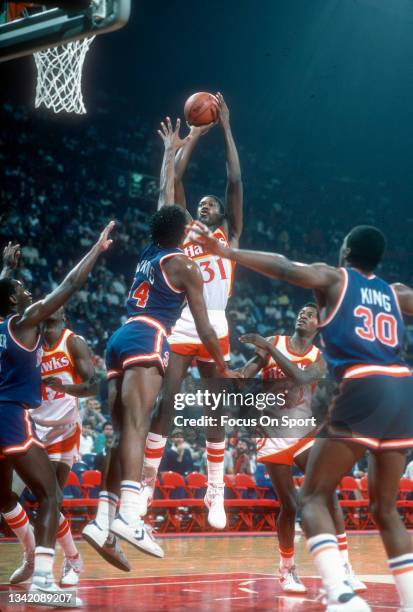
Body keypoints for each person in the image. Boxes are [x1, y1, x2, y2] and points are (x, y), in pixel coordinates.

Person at [191, 221, 413, 611]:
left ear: (345, 251)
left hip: (361, 387)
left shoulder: (335, 279)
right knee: (384, 508)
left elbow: (284, 267)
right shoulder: (395, 294)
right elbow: (244, 375)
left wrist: (226, 253)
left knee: (312, 497)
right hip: (401, 391)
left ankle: (341, 593)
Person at [81, 118, 240, 568]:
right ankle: (131, 513)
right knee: (136, 426)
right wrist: (222, 361)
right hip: (152, 335)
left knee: (121, 432)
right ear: (182, 230)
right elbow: (207, 329)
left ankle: (102, 517)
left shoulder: (153, 247)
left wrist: (171, 153)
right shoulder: (182, 264)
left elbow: (164, 199)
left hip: (119, 337)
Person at [139, 93, 244, 531]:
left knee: (215, 410)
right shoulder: (184, 232)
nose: (203, 205)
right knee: (167, 399)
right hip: (183, 322)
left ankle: (214, 489)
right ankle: (147, 480)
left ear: (221, 213)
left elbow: (234, 182)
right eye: (198, 204)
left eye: (209, 204)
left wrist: (225, 129)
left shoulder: (230, 237)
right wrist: (193, 136)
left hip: (216, 324)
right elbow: (175, 179)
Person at [0, 220, 114, 600]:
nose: (29, 292)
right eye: (22, 290)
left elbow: (92, 383)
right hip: (17, 420)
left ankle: (52, 560)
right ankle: (44, 578)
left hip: (59, 429)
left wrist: (5, 273)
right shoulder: (23, 324)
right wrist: (96, 249)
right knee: (49, 497)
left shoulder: (54, 337)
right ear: (17, 303)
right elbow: (68, 286)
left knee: (5, 498)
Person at [239, 304, 365, 594]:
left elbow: (303, 378)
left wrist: (269, 347)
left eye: (311, 315)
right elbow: (246, 373)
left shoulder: (320, 358)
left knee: (327, 492)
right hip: (271, 434)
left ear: (318, 326)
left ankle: (345, 567)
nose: (303, 315)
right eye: (302, 312)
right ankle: (286, 569)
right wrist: (232, 373)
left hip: (303, 431)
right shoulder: (274, 342)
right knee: (290, 504)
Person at [8, 307, 97, 587]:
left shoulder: (73, 342)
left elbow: (94, 385)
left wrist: (65, 387)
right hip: (32, 426)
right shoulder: (29, 341)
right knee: (7, 497)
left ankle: (71, 559)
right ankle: (32, 554)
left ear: (64, 314)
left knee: (51, 499)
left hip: (64, 430)